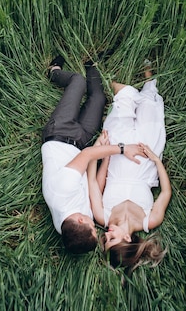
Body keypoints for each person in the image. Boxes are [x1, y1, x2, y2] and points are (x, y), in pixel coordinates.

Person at [41, 54, 145, 254]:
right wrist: (101, 152)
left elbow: (88, 155)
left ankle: (54, 72)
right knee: (98, 98)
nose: (96, 225)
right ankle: (91, 62)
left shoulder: (61, 192)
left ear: (80, 220)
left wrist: (122, 149)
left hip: (60, 133)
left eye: (92, 227)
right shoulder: (70, 228)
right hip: (81, 143)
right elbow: (92, 184)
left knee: (77, 82)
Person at [87, 63, 172, 270]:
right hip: (145, 161)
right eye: (111, 239)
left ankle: (116, 77)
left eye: (104, 240)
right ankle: (148, 73)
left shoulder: (102, 216)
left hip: (116, 156)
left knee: (122, 95)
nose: (105, 235)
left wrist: (104, 154)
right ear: (126, 237)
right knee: (149, 106)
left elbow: (92, 181)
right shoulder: (149, 221)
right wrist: (156, 160)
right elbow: (165, 192)